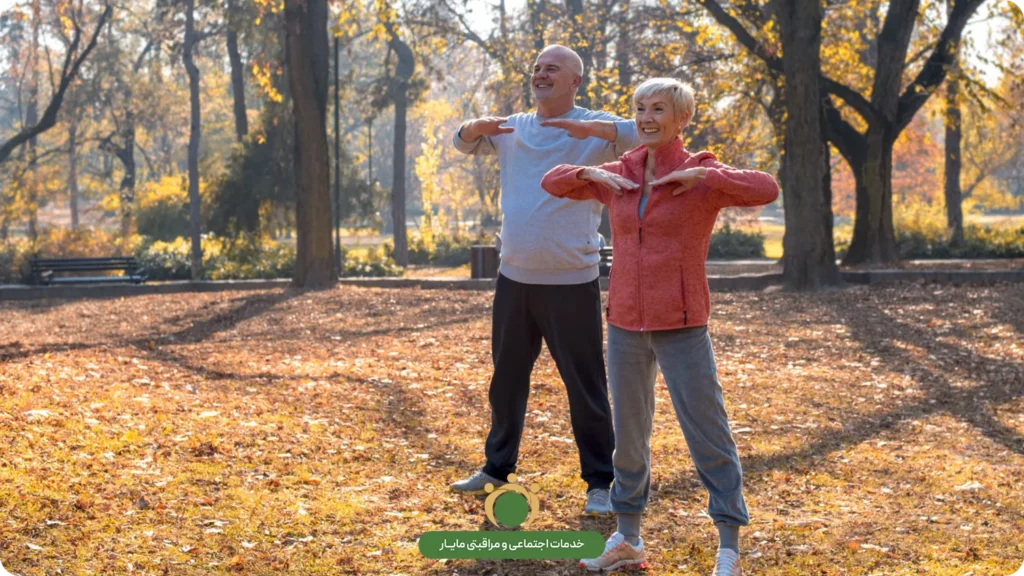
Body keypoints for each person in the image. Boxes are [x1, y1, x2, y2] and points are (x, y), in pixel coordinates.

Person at [541, 77, 779, 575]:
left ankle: (729, 546)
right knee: (628, 437)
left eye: (658, 110)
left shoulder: (700, 174)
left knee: (707, 432)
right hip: (624, 325)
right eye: (640, 109)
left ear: (681, 119)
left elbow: (766, 188)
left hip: (682, 324)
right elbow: (554, 181)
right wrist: (590, 172)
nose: (647, 118)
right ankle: (628, 537)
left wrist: (707, 181)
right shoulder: (620, 173)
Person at [448, 44, 640, 516]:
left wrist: (590, 129)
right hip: (514, 278)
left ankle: (600, 482)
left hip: (572, 281)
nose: (540, 73)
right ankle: (496, 467)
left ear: (575, 81)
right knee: (506, 380)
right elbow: (461, 141)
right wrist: (475, 127)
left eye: (552, 68)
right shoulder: (513, 127)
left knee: (586, 387)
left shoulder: (598, 127)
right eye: (536, 68)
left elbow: (647, 134)